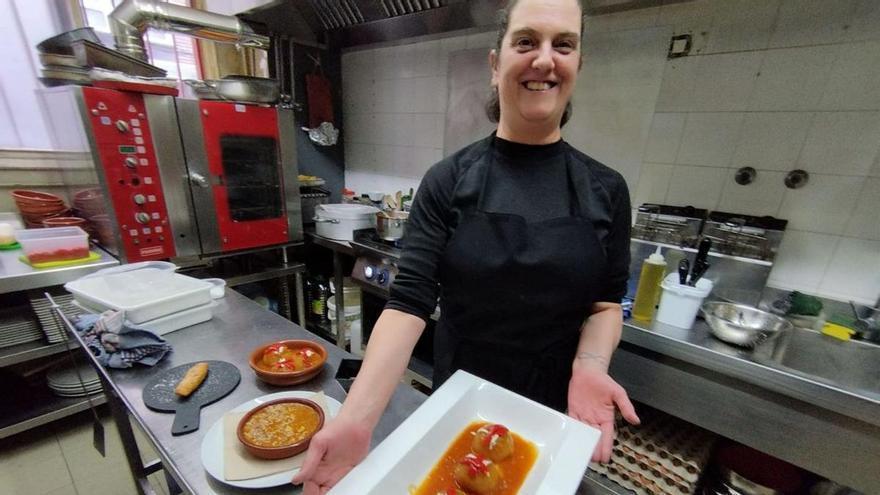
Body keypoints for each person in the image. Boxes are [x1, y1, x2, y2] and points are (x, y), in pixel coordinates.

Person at [294, 0, 640, 492]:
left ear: (578, 65)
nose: (544, 59)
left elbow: (606, 305)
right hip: (459, 404)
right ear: (496, 62)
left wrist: (589, 366)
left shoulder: (606, 189)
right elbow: (409, 303)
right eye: (526, 41)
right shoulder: (448, 180)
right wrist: (356, 419)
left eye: (563, 44)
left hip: (556, 413)